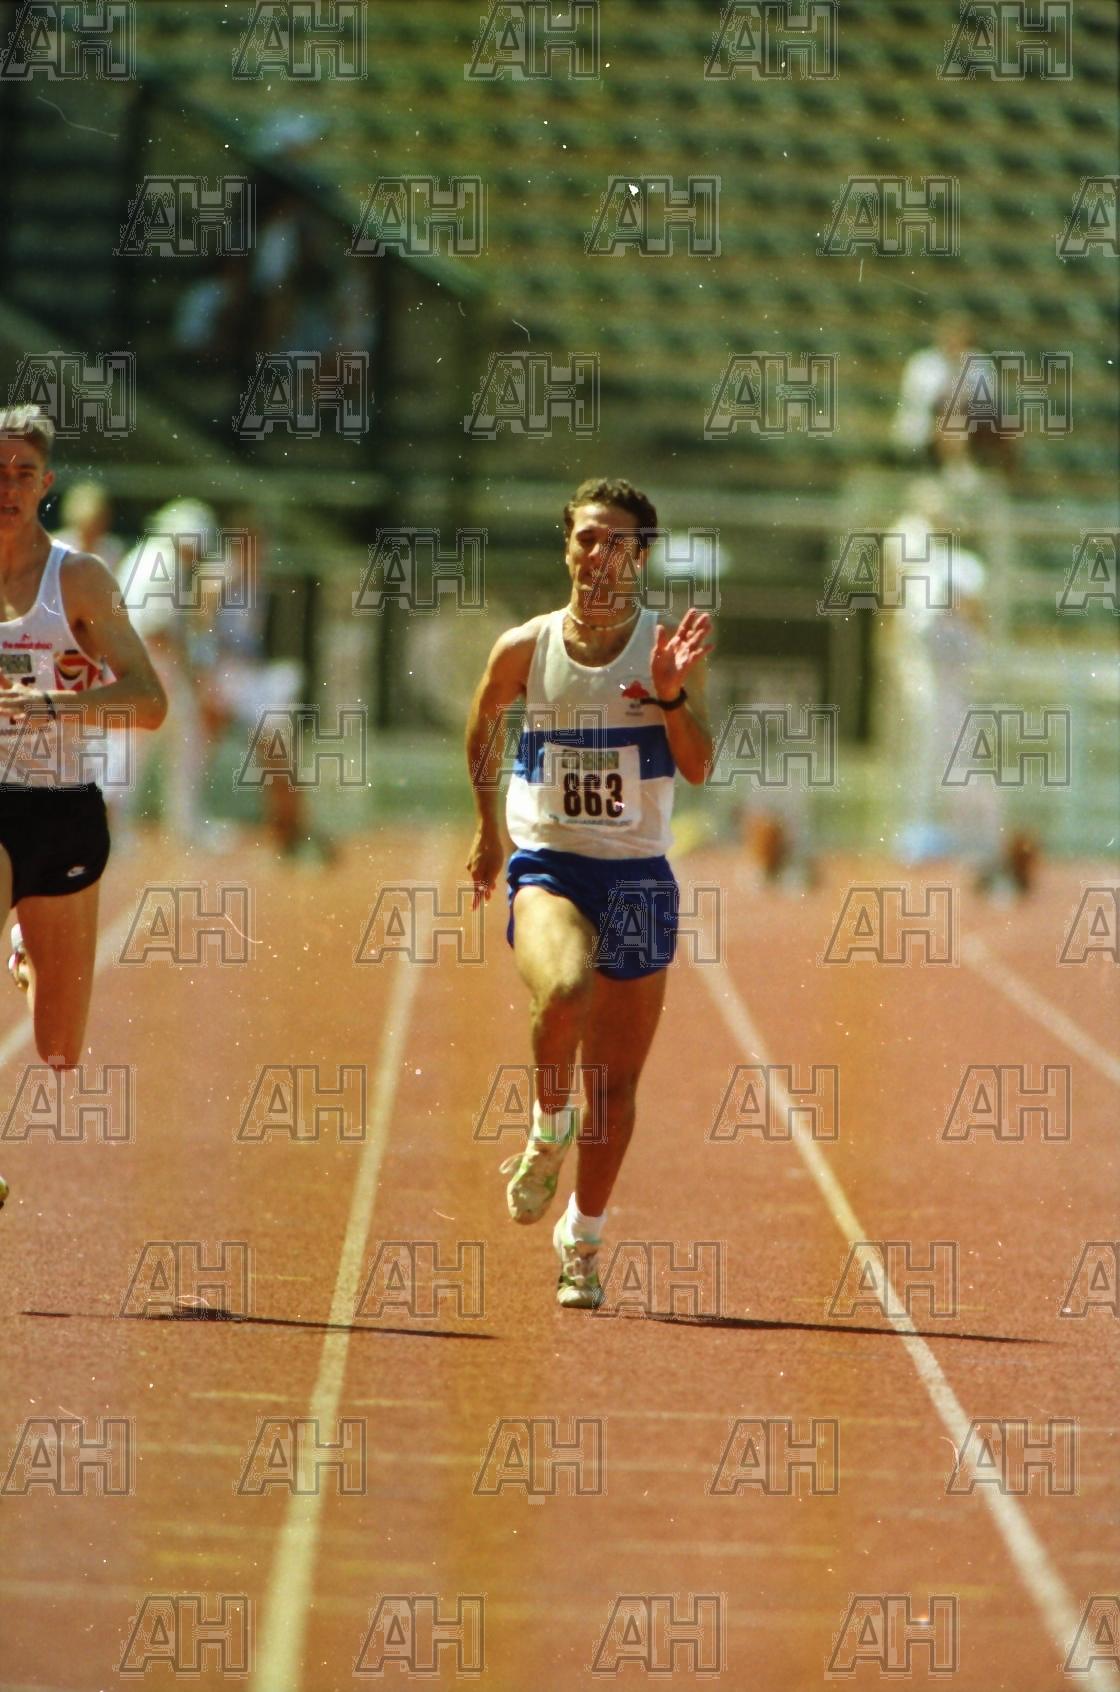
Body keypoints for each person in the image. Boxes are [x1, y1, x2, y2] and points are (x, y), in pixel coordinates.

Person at [465, 478, 713, 1308]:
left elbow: (699, 764)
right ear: (567, 546)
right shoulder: (525, 647)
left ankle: (584, 1237)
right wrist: (488, 831)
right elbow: (482, 723)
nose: (600, 555)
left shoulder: (662, 650)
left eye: (619, 542)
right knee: (565, 990)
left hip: (637, 875)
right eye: (587, 538)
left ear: (642, 556)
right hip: (552, 864)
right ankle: (546, 1129)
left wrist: (671, 694)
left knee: (614, 1086)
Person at [0, 406, 167, 1211]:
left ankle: (25, 952)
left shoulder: (79, 581)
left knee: (59, 1048)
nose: (7, 487)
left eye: (22, 474)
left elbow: (150, 701)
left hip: (62, 809)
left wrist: (55, 707)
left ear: (47, 484)